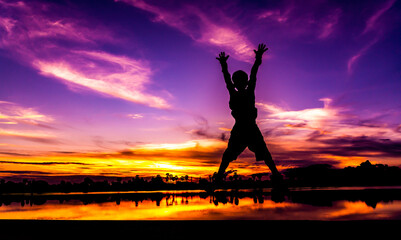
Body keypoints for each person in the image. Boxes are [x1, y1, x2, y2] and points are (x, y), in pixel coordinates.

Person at [215, 43, 282, 185]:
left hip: (250, 129)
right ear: (235, 83)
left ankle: (276, 177)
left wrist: (258, 58)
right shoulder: (234, 93)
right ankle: (217, 180)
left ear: (245, 82)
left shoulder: (249, 92)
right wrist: (223, 65)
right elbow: (228, 79)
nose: (240, 83)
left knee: (265, 153)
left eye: (242, 80)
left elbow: (254, 74)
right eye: (237, 81)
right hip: (241, 129)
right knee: (227, 156)